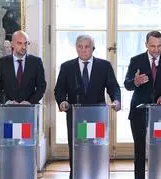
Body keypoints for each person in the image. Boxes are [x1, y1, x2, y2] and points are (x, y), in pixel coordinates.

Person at [54, 35, 121, 179]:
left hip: (96, 116)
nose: (83, 50)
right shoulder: (67, 67)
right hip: (76, 117)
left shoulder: (104, 66)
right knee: (77, 150)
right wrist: (62, 102)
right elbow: (59, 89)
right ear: (76, 48)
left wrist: (116, 100)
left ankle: (96, 175)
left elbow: (113, 87)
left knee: (94, 150)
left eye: (87, 46)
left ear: (93, 48)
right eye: (80, 46)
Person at [124, 31, 161, 179]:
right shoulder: (136, 60)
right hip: (139, 112)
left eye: (159, 46)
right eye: (153, 46)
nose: (156, 49)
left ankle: (159, 176)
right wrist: (135, 82)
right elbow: (127, 84)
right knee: (140, 149)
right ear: (146, 44)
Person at [0, 30, 47, 104]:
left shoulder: (36, 62)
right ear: (12, 44)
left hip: (30, 109)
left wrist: (30, 102)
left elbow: (41, 86)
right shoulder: (2, 63)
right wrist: (7, 102)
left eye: (26, 43)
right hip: (8, 110)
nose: (23, 47)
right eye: (19, 43)